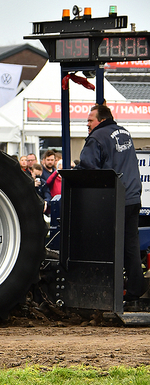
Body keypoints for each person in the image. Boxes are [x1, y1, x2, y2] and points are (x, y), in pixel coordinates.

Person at [77, 104, 148, 302]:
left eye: (90, 120)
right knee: (131, 246)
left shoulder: (97, 138)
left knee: (106, 247)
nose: (87, 124)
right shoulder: (124, 132)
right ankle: (135, 290)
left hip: (112, 200)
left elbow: (88, 169)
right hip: (132, 197)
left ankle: (108, 292)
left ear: (101, 120)